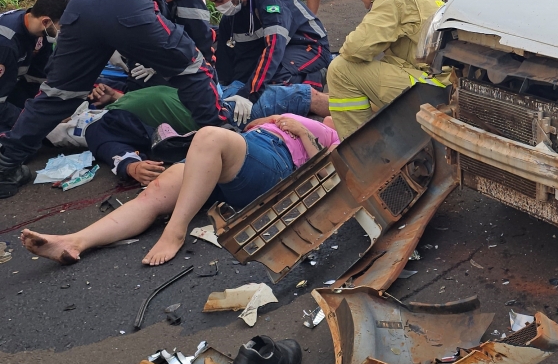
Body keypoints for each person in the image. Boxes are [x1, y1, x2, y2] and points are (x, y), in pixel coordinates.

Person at [0, 0, 228, 197]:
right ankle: (226, 142)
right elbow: (197, 31)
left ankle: (6, 164)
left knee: (57, 94)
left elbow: (102, 4)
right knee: (194, 69)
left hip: (78, 14)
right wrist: (200, 62)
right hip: (132, 13)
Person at [22, 112, 340, 267]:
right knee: (156, 191)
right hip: (241, 155)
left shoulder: (333, 134)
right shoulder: (302, 113)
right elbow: (250, 126)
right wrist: (270, 120)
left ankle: (175, 229)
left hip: (275, 165)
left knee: (210, 136)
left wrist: (303, 133)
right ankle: (75, 241)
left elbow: (325, 171)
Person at [84, 81, 331, 185]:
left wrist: (115, 96)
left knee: (305, 97)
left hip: (222, 99)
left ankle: (352, 110)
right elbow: (105, 144)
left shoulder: (122, 104)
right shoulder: (102, 127)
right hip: (226, 115)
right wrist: (130, 167)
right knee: (305, 97)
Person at [326, 0, 445, 139]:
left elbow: (355, 49)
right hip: (446, 85)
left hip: (435, 92)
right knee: (377, 75)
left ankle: (361, 149)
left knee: (340, 70)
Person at [201, 0, 331, 106]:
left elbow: (274, 48)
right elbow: (229, 60)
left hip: (310, 46)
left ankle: (316, 77)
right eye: (214, 2)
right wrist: (224, 90)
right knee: (251, 78)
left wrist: (249, 94)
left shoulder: (270, 1)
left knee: (273, 77)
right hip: (281, 49)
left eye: (220, 0)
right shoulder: (230, 19)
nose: (218, 7)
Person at [0, 0, 73, 129]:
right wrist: (38, 120)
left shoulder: (39, 32)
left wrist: (54, 108)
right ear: (46, 21)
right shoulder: (6, 45)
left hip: (11, 86)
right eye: (63, 27)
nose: (66, 32)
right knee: (22, 137)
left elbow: (39, 76)